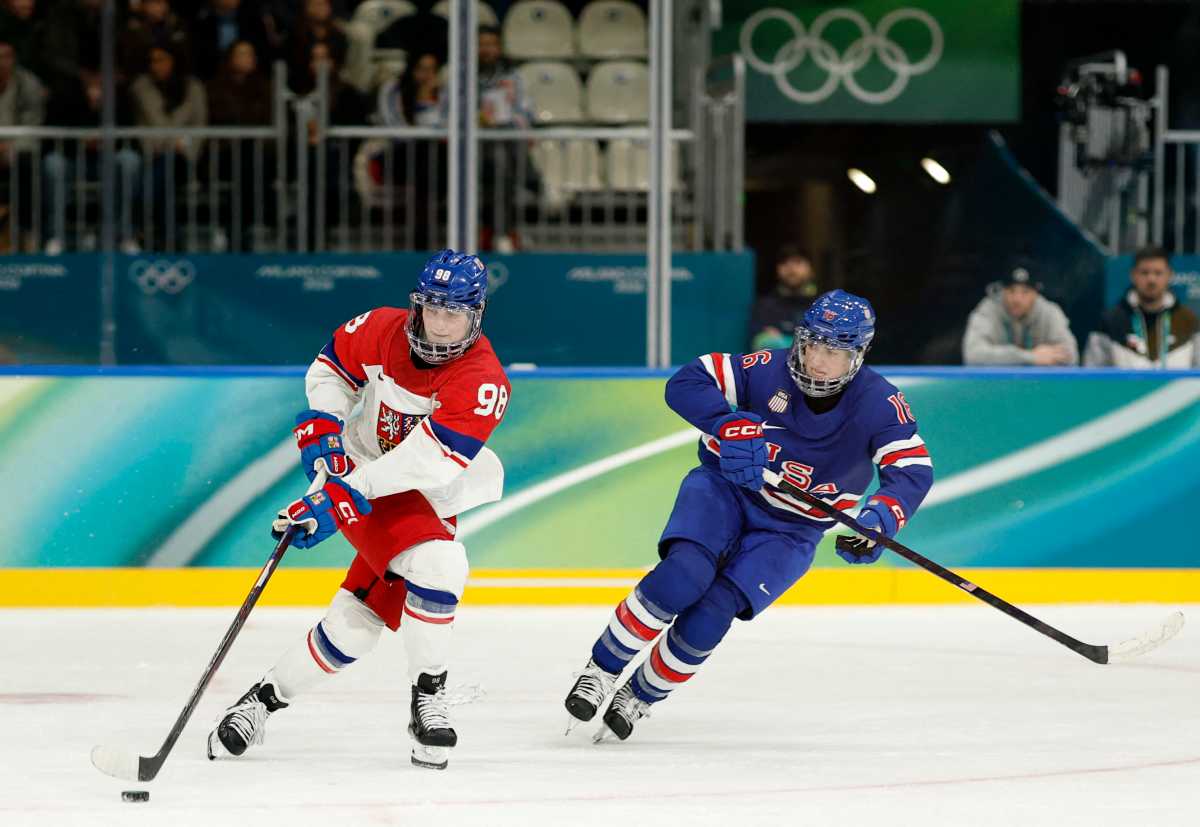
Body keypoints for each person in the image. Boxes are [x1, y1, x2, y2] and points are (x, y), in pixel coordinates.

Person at [564, 290, 934, 741]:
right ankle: (601, 671)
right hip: (725, 489)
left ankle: (639, 697)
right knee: (684, 574)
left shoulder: (880, 404)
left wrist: (882, 518)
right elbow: (687, 381)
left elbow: (911, 470)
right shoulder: (765, 370)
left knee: (713, 614)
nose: (818, 361)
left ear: (857, 356)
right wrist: (725, 423)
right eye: (813, 344)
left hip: (794, 530)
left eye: (834, 352)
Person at [208, 250, 510, 772]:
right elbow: (331, 368)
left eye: (453, 313)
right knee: (440, 566)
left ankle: (259, 702)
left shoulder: (483, 380)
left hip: (421, 492)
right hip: (366, 475)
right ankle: (428, 700)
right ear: (417, 305)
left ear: (475, 315)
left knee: (355, 625)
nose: (439, 325)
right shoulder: (381, 326)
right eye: (431, 309)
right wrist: (326, 425)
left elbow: (428, 464)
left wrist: (341, 494)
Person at [129, 44, 207, 247]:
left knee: (166, 171)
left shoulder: (193, 88)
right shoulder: (142, 88)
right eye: (152, 61)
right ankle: (170, 241)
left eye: (161, 59)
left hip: (185, 156)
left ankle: (138, 226)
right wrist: (172, 142)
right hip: (153, 154)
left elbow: (200, 124)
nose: (156, 65)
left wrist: (185, 145)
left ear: (174, 61)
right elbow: (152, 123)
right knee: (165, 184)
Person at [1084, 245, 1200, 368]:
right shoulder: (1110, 321)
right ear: (1133, 275)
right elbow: (1092, 372)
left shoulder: (1189, 320)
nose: (1151, 279)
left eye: (1158, 273)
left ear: (1169, 275)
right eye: (1145, 273)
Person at [961, 263, 1078, 366]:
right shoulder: (988, 310)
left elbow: (1071, 357)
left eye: (1025, 292)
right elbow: (973, 355)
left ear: (1035, 293)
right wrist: (1030, 357)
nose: (1017, 299)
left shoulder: (1049, 312)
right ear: (1002, 290)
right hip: (998, 386)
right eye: (1011, 290)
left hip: (1039, 386)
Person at [748, 245, 819, 350]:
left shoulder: (823, 306)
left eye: (797, 262)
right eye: (784, 263)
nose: (791, 269)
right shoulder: (765, 305)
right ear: (777, 269)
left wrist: (782, 341)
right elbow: (762, 344)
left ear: (811, 269)